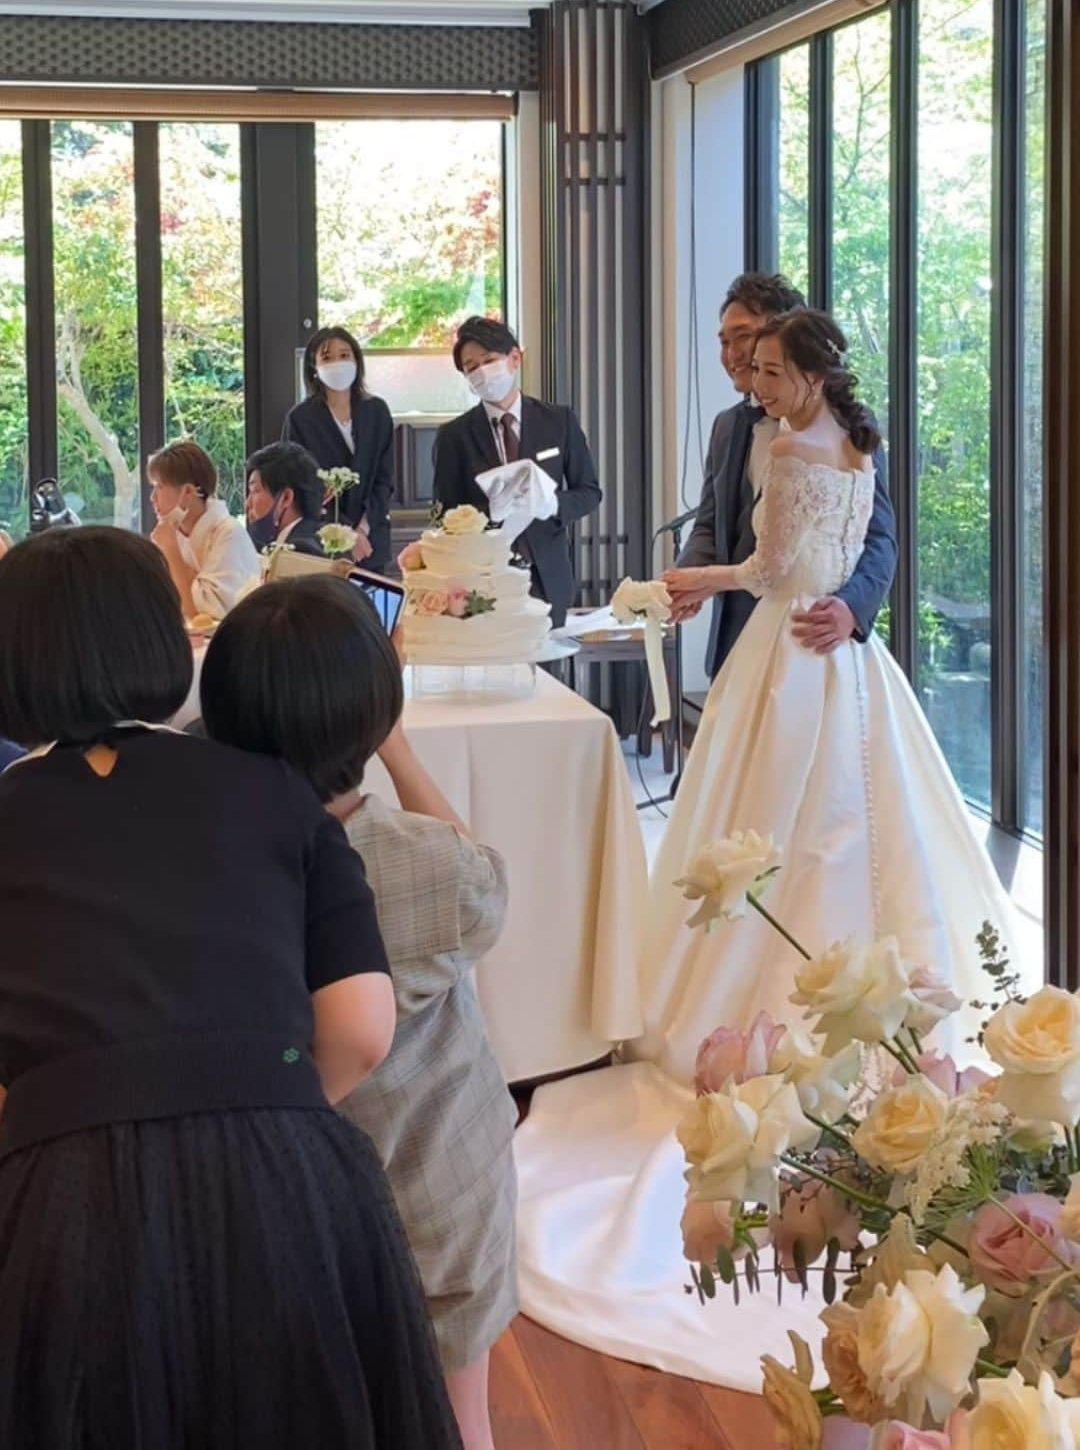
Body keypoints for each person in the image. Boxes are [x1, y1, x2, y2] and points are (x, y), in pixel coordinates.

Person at [511, 309, 1025, 1385]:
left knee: (777, 824)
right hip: (847, 675)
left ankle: (773, 999)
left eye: (768, 365)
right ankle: (884, 1001)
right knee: (844, 824)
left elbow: (781, 563)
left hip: (794, 654)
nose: (753, 381)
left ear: (803, 370)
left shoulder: (794, 444)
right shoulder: (854, 438)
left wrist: (704, 582)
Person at [0, 527, 463, 1449]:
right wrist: (269, 1100)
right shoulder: (271, 791)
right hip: (285, 1168)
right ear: (169, 644)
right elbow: (363, 1027)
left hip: (62, 1192)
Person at [201, 577, 517, 1450]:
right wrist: (403, 753)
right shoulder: (428, 866)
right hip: (440, 1190)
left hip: (283, 1201)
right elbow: (483, 880)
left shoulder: (209, 860)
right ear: (377, 711)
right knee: (461, 1419)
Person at [667, 271, 897, 670]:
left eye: (744, 336)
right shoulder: (727, 426)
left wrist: (851, 608)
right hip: (740, 640)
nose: (733, 354)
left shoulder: (851, 428)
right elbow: (710, 523)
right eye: (723, 341)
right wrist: (687, 583)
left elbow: (879, 536)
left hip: (814, 636)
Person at [432, 316, 601, 627]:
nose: (481, 372)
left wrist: (551, 504)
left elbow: (589, 492)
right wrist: (487, 514)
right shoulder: (453, 436)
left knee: (546, 671)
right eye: (471, 367)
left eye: (489, 360)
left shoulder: (558, 421)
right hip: (484, 580)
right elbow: (445, 514)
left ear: (514, 358)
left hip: (547, 575)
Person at [283, 327, 395, 570]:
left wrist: (363, 529)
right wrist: (345, 535)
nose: (337, 363)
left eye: (345, 355)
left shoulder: (377, 411)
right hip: (323, 541)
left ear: (357, 360)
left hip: (372, 539)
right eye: (327, 357)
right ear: (314, 367)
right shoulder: (300, 419)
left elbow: (384, 479)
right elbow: (302, 485)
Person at [148, 439, 259, 621]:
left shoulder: (229, 533)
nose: (153, 498)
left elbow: (203, 615)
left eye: (159, 487)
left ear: (188, 492)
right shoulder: (171, 534)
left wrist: (171, 551)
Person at [246, 440, 328, 557]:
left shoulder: (302, 551)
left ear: (286, 498)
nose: (247, 503)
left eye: (255, 491)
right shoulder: (311, 537)